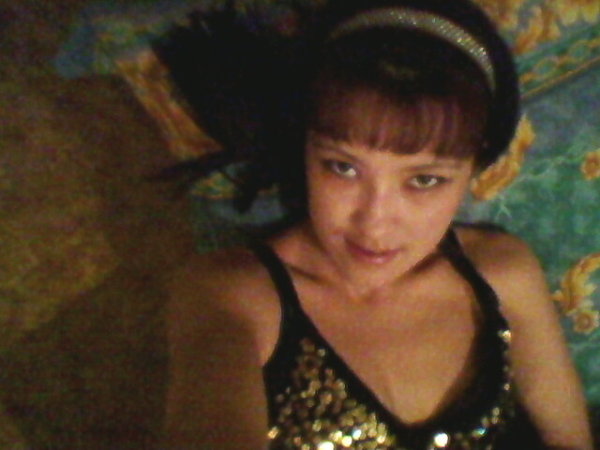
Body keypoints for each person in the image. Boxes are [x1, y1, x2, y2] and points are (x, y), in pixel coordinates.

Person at [162, 0, 593, 448]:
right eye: (343, 167)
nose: (375, 222)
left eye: (424, 179)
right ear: (305, 148)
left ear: (475, 167)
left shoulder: (501, 272)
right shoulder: (233, 295)